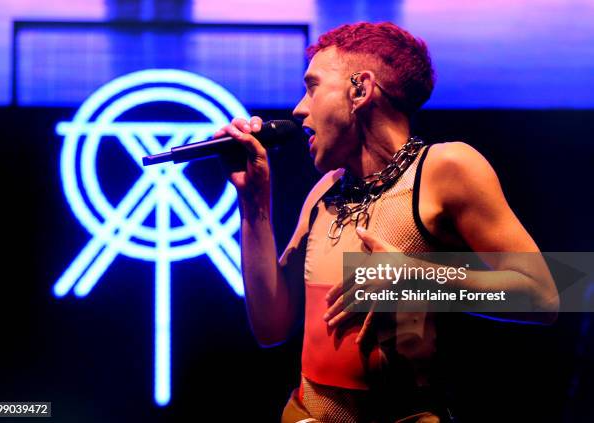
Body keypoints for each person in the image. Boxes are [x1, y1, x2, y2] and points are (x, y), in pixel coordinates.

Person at [215, 22, 559, 422]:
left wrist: (420, 281)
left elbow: (544, 296)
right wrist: (253, 201)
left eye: (312, 87)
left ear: (360, 90)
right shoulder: (324, 192)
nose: (298, 109)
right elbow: (270, 327)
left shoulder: (445, 167)